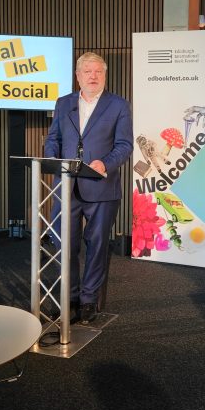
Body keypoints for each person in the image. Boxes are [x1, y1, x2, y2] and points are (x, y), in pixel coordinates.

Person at [45, 52, 133, 323]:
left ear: (104, 75)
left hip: (101, 188)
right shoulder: (63, 103)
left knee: (96, 246)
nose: (93, 76)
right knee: (64, 244)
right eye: (88, 71)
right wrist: (52, 160)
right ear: (78, 76)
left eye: (98, 72)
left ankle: (88, 299)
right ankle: (70, 297)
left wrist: (104, 164)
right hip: (66, 186)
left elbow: (125, 145)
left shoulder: (119, 105)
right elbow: (53, 139)